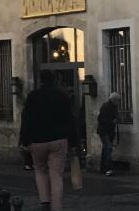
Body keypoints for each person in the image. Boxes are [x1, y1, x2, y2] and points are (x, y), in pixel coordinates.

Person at [19, 70, 79, 211]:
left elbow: (26, 119)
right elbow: (70, 120)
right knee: (56, 174)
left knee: (40, 170)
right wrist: (73, 141)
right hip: (58, 139)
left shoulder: (33, 97)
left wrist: (24, 140)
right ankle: (57, 206)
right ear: (55, 80)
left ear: (41, 80)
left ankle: (45, 201)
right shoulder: (62, 96)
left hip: (37, 140)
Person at [97, 92, 120, 175]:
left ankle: (102, 168)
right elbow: (100, 119)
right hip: (104, 131)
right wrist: (111, 121)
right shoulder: (106, 107)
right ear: (113, 100)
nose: (119, 102)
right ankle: (108, 169)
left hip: (109, 131)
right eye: (118, 100)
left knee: (105, 149)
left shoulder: (114, 107)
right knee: (108, 148)